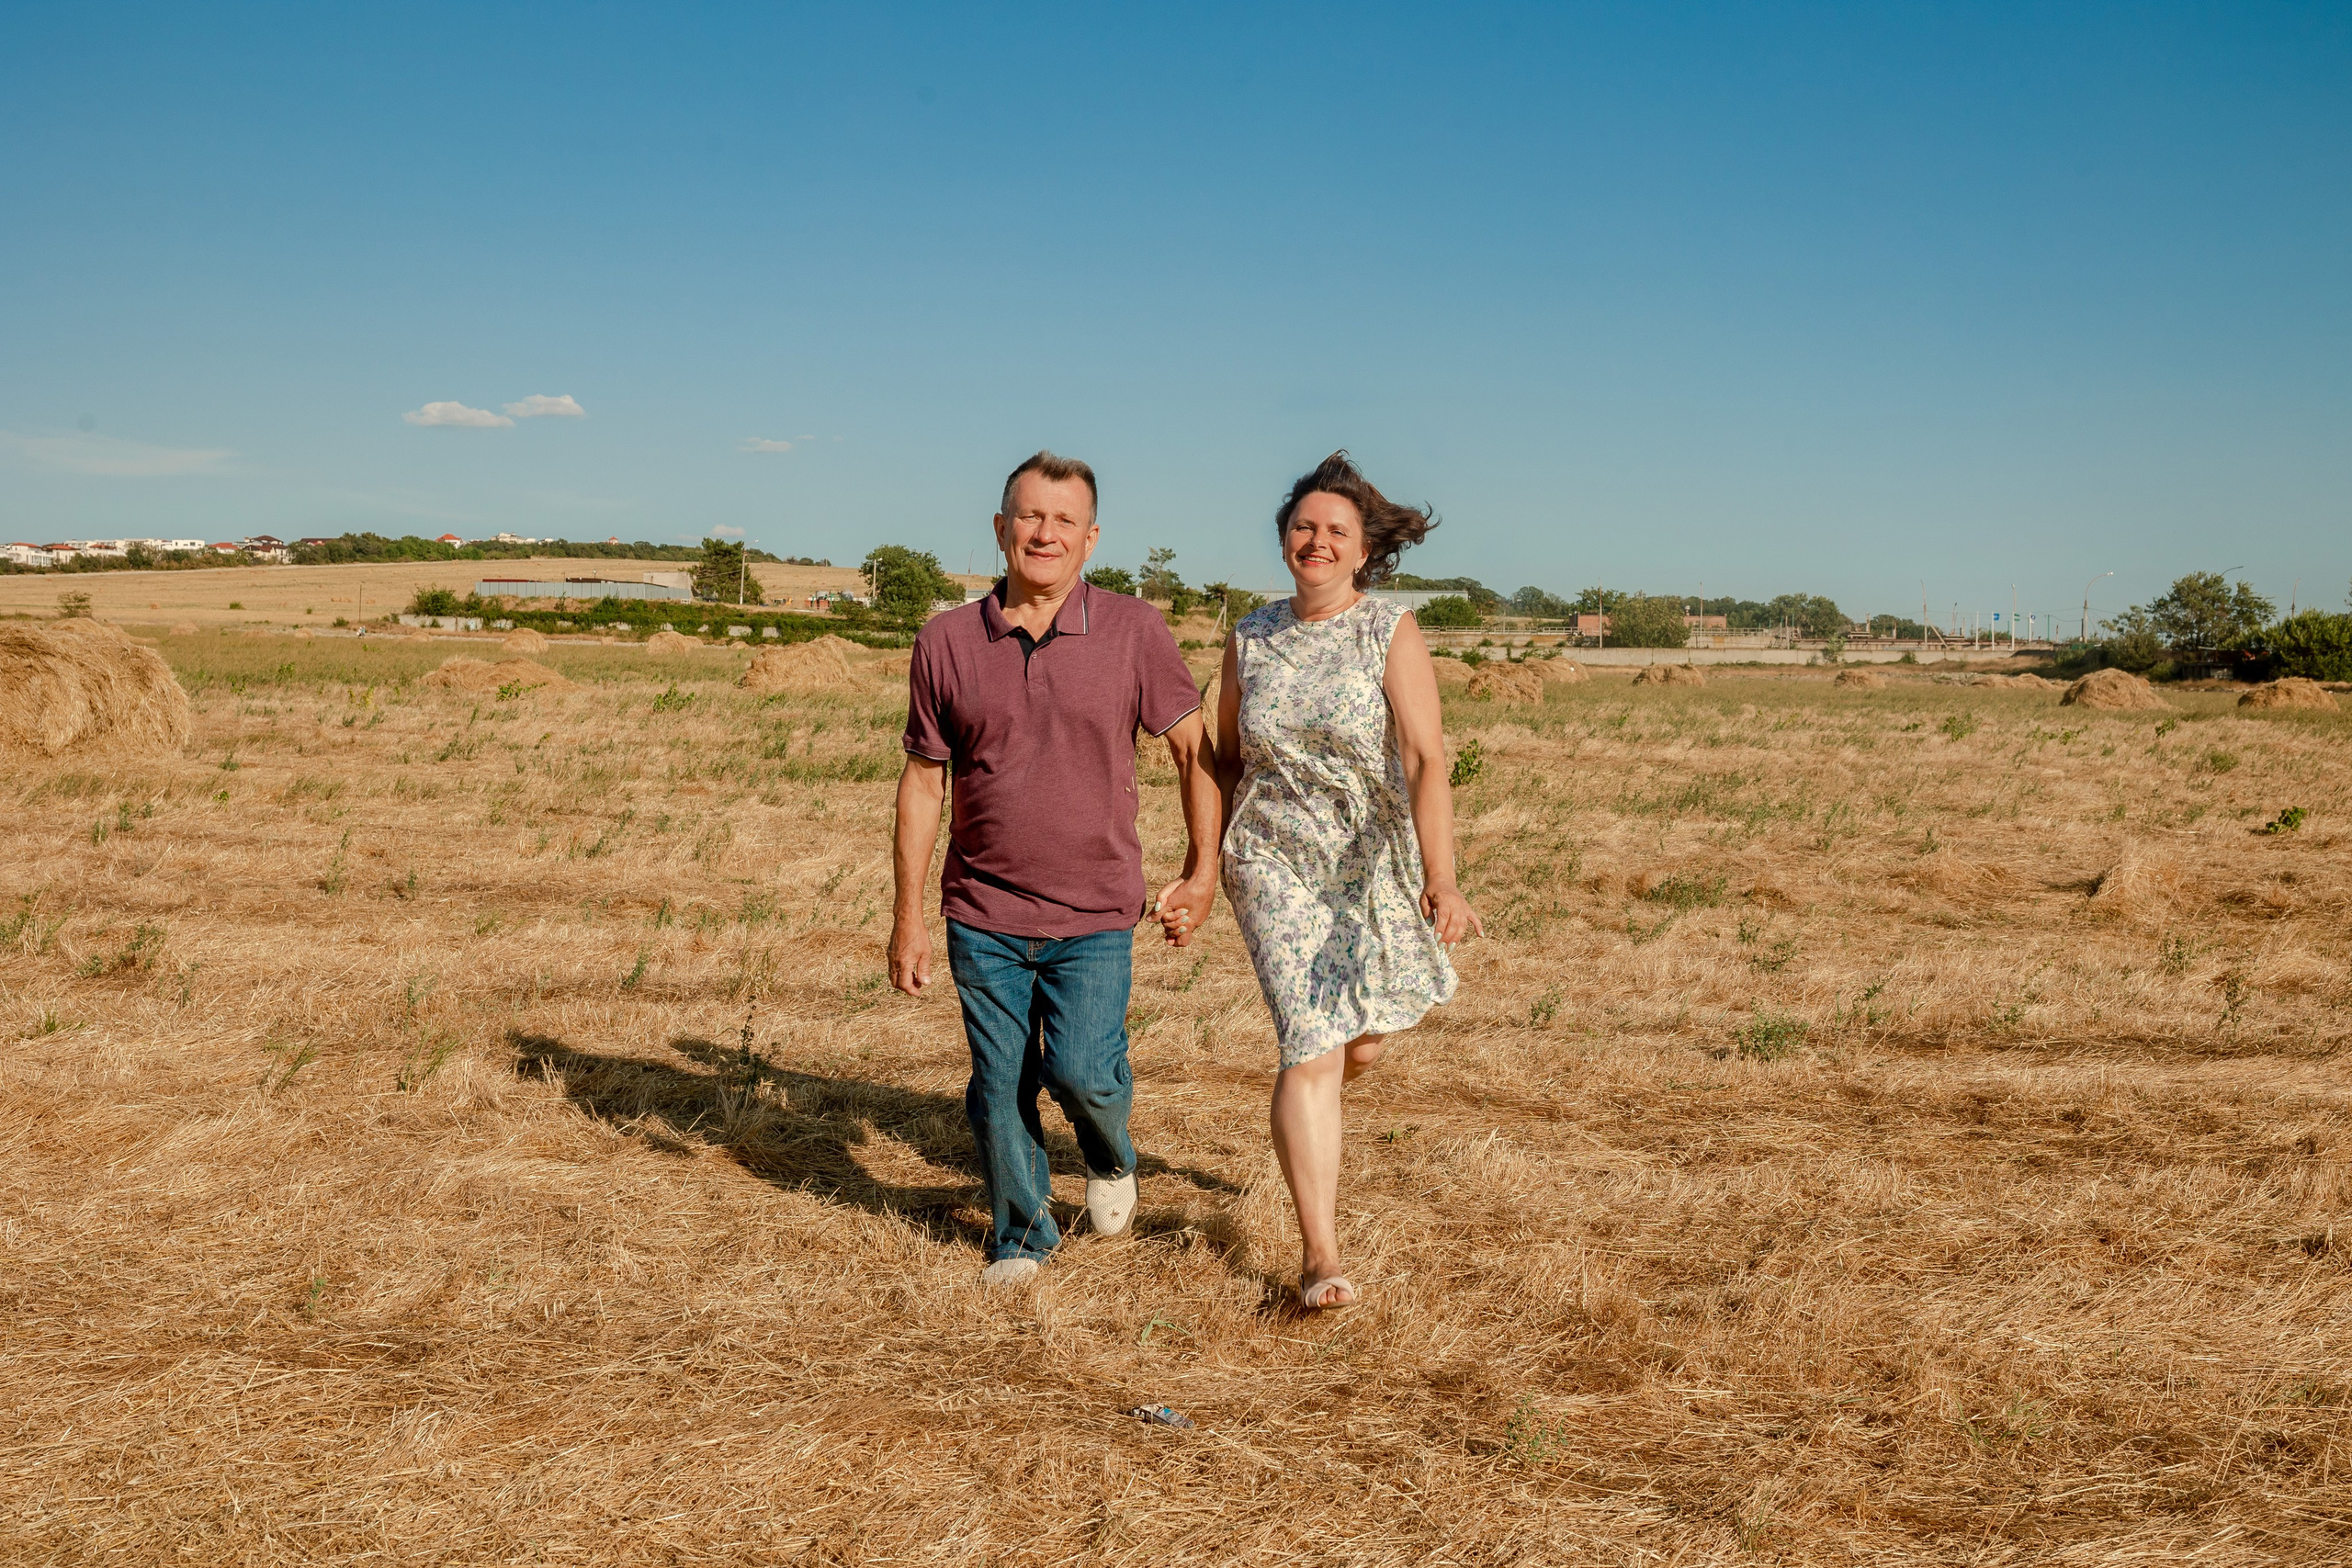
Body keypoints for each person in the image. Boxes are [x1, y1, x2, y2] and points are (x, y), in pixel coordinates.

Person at [891, 450, 1221, 1287]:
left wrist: (1202, 868)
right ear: (1000, 530)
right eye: (1029, 516)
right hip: (983, 908)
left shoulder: (1134, 631)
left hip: (1098, 911)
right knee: (999, 1079)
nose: (1045, 532)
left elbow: (1193, 751)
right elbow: (925, 781)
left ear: (1091, 538)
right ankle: (1022, 1231)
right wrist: (908, 916)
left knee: (1082, 1069)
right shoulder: (946, 641)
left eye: (1063, 519)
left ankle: (1109, 1154)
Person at [1203, 450, 1482, 1310]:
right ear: (1284, 539)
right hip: (1273, 856)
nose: (1315, 541)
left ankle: (1304, 1099)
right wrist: (1200, 868)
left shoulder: (1387, 629)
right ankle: (1319, 1253)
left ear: (1364, 551)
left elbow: (1428, 757)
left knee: (1356, 1043)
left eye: (1335, 531)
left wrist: (1442, 874)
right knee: (1314, 1045)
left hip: (1369, 859)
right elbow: (1222, 759)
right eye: (1303, 527)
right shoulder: (1249, 635)